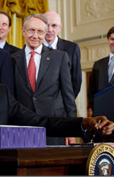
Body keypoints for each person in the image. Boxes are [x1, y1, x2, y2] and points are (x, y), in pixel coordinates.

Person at [11, 14, 77, 145]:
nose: (35, 36)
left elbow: (68, 96)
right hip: (23, 126)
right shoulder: (12, 59)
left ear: (45, 33)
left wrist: (71, 129)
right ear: (23, 31)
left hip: (54, 126)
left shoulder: (60, 57)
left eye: (40, 31)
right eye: (31, 30)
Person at [43, 10, 82, 98]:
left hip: (63, 106)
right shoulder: (34, 48)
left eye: (54, 25)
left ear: (60, 27)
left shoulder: (72, 48)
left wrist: (66, 103)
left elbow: (76, 80)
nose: (50, 30)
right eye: (46, 25)